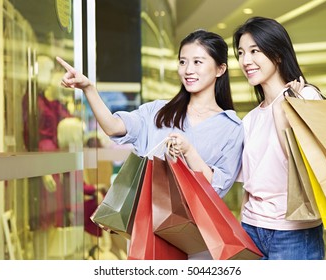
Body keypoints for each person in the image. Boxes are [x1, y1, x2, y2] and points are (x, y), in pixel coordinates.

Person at [57, 29, 244, 200]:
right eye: (182, 62)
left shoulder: (231, 128)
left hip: (192, 231)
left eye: (197, 62)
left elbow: (216, 189)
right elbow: (113, 127)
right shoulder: (157, 111)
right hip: (146, 224)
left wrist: (189, 152)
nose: (188, 70)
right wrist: (88, 88)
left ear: (220, 69)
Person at [232, 16, 324, 260]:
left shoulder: (305, 97)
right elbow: (249, 188)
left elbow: (302, 166)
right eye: (241, 53)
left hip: (294, 231)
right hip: (251, 228)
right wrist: (242, 227)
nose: (246, 61)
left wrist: (281, 109)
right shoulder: (250, 119)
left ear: (278, 54)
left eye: (255, 51)